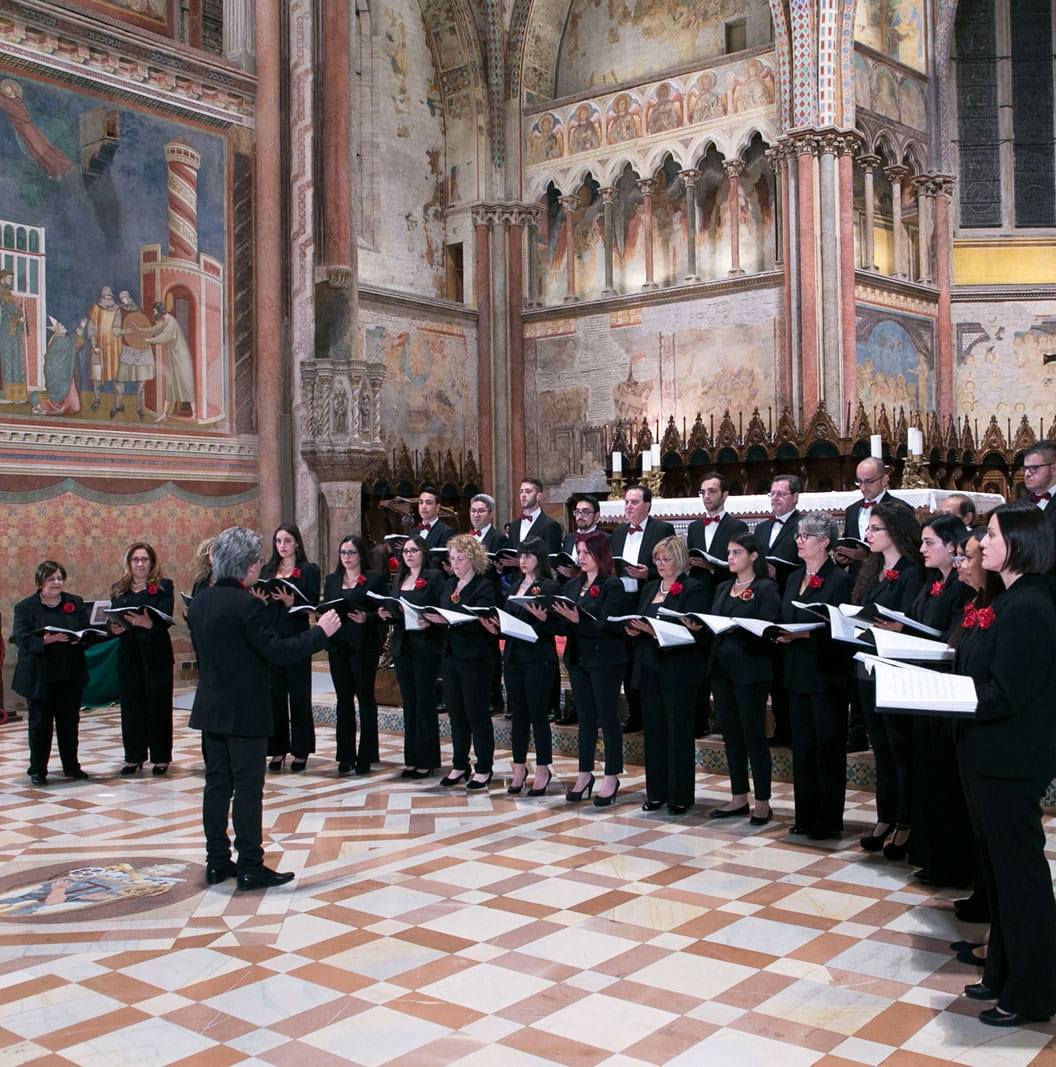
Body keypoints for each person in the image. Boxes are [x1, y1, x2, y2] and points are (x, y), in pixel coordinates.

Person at [188, 526, 340, 889]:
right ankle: (250, 865)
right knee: (247, 788)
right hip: (245, 710)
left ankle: (217, 861)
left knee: (217, 786)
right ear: (249, 567)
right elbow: (277, 652)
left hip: (211, 706)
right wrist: (321, 632)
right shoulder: (247, 606)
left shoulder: (201, 602)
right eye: (257, 560)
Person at [955, 504, 1056, 1026]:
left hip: (1010, 758)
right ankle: (1001, 972)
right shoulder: (1008, 599)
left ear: (1018, 543)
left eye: (991, 535)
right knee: (997, 873)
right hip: (989, 754)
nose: (982, 543)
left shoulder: (1029, 607)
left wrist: (947, 697)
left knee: (1020, 878)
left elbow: (1007, 693)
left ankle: (1033, 990)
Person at [901, 515, 976, 887]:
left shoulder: (963, 590)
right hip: (924, 684)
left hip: (944, 686)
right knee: (927, 773)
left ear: (951, 546)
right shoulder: (932, 583)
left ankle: (951, 863)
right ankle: (931, 855)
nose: (922, 549)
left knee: (944, 777)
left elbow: (953, 635)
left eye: (929, 543)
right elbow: (917, 620)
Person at [852, 500, 926, 858]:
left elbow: (912, 621)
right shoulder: (873, 568)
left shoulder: (913, 571)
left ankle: (907, 821)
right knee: (880, 748)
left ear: (895, 531)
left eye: (875, 529)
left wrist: (895, 625)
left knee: (900, 749)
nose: (868, 535)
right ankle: (885, 817)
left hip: (895, 667)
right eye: (868, 529)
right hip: (869, 665)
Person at [776, 513, 854, 839]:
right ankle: (805, 815)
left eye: (805, 536)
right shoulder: (794, 578)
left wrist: (805, 635)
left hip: (826, 674)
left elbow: (842, 631)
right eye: (798, 535)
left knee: (828, 747)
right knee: (803, 748)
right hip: (796, 672)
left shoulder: (840, 580)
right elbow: (786, 615)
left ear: (824, 542)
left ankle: (829, 818)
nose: (799, 540)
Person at [627, 536, 709, 815]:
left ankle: (680, 795)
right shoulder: (650, 587)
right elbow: (643, 618)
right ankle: (657, 792)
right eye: (657, 559)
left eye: (666, 559)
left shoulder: (693, 588)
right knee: (655, 733)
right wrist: (636, 629)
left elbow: (695, 631)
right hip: (650, 668)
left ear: (680, 559)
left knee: (679, 734)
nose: (661, 564)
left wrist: (653, 631)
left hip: (679, 670)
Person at [705, 533, 781, 824]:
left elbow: (768, 629)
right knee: (731, 736)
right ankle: (738, 797)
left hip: (751, 669)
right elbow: (715, 621)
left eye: (737, 552)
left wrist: (740, 628)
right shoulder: (724, 587)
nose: (731, 557)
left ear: (753, 556)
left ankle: (762, 801)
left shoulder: (766, 588)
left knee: (753, 735)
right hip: (722, 669)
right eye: (729, 552)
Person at [552, 530, 627, 807]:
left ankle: (611, 775)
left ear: (600, 554)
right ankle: (584, 774)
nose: (579, 557)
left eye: (585, 552)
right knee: (585, 718)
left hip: (605, 659)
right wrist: (552, 617)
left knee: (607, 717)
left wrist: (576, 620)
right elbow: (565, 624)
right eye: (578, 552)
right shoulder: (573, 585)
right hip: (578, 658)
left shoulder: (613, 585)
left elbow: (607, 626)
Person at [483, 538, 560, 796]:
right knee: (518, 716)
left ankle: (542, 768)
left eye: (528, 555)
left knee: (538, 715)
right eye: (521, 555)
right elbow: (510, 622)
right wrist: (497, 628)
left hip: (538, 658)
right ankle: (518, 767)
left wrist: (543, 618)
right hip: (514, 657)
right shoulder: (515, 584)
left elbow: (554, 628)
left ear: (539, 557)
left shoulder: (548, 585)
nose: (523, 560)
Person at [426, 534, 498, 789]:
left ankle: (484, 767)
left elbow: (482, 620)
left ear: (473, 558)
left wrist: (448, 619)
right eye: (452, 558)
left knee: (476, 713)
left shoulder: (484, 586)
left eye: (460, 558)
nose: (455, 563)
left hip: (475, 657)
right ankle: (459, 764)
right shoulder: (448, 585)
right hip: (451, 656)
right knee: (455, 713)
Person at [11, 561, 92, 786]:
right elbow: (20, 638)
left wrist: (80, 638)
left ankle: (71, 766)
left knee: (69, 723)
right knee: (40, 725)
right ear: (40, 582)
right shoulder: (25, 607)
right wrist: (45, 640)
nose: (57, 583)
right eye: (51, 579)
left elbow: (84, 630)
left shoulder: (73, 602)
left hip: (69, 674)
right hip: (40, 676)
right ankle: (38, 769)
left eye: (59, 578)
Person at [608, 484, 676, 733]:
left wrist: (648, 573)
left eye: (634, 502)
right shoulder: (617, 533)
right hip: (622, 600)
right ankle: (634, 714)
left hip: (648, 597)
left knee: (644, 658)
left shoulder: (662, 529)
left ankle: (650, 713)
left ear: (647, 505)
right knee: (626, 661)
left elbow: (670, 563)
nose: (628, 506)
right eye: (626, 502)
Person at [686, 472, 747, 738]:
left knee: (722, 661)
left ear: (724, 495)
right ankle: (698, 719)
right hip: (699, 599)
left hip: (724, 597)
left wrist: (712, 567)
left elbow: (741, 567)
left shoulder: (737, 526)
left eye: (712, 491)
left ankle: (725, 720)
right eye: (703, 492)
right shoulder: (694, 527)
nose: (707, 497)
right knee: (698, 661)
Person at [378, 535, 444, 778]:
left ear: (423, 553)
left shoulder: (433, 577)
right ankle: (411, 758)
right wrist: (387, 614)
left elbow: (440, 609)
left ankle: (427, 759)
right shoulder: (400, 579)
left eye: (414, 550)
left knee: (425, 703)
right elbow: (398, 610)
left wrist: (431, 621)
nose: (409, 554)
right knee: (409, 703)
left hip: (425, 646)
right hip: (403, 646)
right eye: (405, 550)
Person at [257, 524, 321, 773]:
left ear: (297, 543)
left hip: (297, 636)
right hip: (273, 637)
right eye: (278, 541)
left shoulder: (308, 570)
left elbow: (313, 603)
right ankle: (278, 749)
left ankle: (301, 750)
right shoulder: (268, 570)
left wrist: (293, 601)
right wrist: (261, 601)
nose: (282, 546)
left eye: (287, 541)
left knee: (299, 695)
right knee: (275, 696)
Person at [108, 542, 175, 776]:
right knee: (131, 707)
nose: (140, 564)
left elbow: (166, 617)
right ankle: (133, 757)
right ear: (129, 563)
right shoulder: (119, 588)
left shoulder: (164, 586)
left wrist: (149, 623)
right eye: (136, 559)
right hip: (129, 654)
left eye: (144, 559)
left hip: (156, 654)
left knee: (159, 706)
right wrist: (113, 628)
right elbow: (113, 618)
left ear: (152, 562)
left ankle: (161, 757)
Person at [323, 535, 385, 776]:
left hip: (363, 646)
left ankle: (366, 755)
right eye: (343, 553)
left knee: (366, 700)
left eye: (351, 553)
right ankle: (345, 755)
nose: (346, 557)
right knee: (343, 700)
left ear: (361, 555)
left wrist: (367, 618)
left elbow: (383, 611)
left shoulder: (374, 579)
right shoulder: (332, 580)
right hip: (338, 645)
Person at [753, 475, 802, 746]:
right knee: (771, 668)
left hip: (787, 598)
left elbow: (803, 563)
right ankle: (778, 727)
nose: (775, 498)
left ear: (795, 496)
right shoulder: (761, 528)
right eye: (772, 494)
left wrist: (779, 569)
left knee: (785, 670)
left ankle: (790, 728)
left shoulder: (802, 525)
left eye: (781, 494)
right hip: (764, 601)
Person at [836, 457, 914, 568]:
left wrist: (868, 556)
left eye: (869, 481)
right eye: (859, 481)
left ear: (884, 479)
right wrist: (843, 557)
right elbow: (849, 541)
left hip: (890, 576)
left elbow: (908, 548)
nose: (863, 487)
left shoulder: (900, 509)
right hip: (858, 579)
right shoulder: (852, 510)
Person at [143, 302, 195, 421]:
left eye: (155, 311)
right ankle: (165, 413)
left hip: (181, 357)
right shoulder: (165, 321)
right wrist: (141, 329)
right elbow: (155, 328)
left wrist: (149, 340)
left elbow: (164, 337)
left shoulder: (171, 322)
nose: (154, 313)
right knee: (170, 385)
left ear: (159, 310)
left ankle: (195, 413)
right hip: (173, 357)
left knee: (186, 384)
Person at [502, 478, 563, 555]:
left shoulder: (550, 525)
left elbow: (551, 559)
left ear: (539, 496)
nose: (523, 495)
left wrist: (520, 562)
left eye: (528, 492)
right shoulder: (514, 526)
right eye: (521, 492)